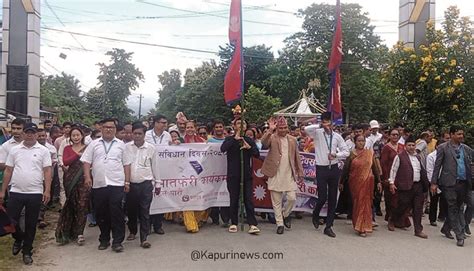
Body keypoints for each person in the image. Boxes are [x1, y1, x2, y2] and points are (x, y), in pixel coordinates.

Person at [0, 123, 52, 265]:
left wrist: (47, 190)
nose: (30, 135)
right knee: (10, 221)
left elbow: (47, 171)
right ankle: (18, 238)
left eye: (32, 132)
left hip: (35, 192)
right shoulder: (15, 150)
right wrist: (2, 191)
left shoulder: (43, 150)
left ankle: (27, 251)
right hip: (16, 191)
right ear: (23, 134)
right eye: (27, 132)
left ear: (36, 134)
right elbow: (8, 171)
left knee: (30, 223)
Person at [81, 118, 132, 252]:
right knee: (101, 213)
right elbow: (86, 162)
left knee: (117, 212)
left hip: (117, 183)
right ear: (101, 129)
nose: (109, 129)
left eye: (112, 127)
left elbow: (127, 164)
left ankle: (117, 241)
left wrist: (127, 182)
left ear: (115, 130)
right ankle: (104, 239)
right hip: (99, 183)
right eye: (106, 127)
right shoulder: (94, 144)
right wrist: (87, 177)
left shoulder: (121, 145)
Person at [304, 112, 350, 238]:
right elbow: (306, 129)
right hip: (321, 169)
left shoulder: (337, 136)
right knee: (322, 197)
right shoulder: (317, 134)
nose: (327, 124)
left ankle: (329, 226)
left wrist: (336, 155)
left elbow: (346, 151)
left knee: (332, 198)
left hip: (334, 169)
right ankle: (316, 213)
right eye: (325, 121)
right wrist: (320, 125)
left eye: (329, 121)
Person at [431, 125, 472, 247]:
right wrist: (434, 183)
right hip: (449, 183)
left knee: (460, 206)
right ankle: (459, 235)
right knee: (454, 207)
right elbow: (437, 166)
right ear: (452, 134)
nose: (461, 136)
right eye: (459, 134)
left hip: (463, 183)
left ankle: (446, 228)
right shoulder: (443, 148)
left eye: (462, 134)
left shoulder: (466, 149)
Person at [261, 117, 303, 234]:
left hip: (289, 173)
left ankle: (285, 214)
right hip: (275, 173)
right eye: (280, 128)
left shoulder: (293, 140)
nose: (283, 130)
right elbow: (263, 143)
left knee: (292, 198)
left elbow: (297, 157)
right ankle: (279, 224)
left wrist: (300, 171)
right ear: (277, 128)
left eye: (285, 127)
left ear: (288, 128)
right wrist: (270, 130)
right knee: (276, 201)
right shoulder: (272, 138)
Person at [221, 118, 260, 234]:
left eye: (243, 123)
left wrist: (249, 147)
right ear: (234, 126)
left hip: (246, 175)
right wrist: (235, 139)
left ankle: (252, 223)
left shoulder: (248, 140)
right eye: (238, 123)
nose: (241, 125)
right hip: (233, 174)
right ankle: (234, 222)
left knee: (248, 199)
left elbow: (256, 154)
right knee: (234, 199)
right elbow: (223, 149)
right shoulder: (229, 139)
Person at [388, 136, 429, 239]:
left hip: (418, 186)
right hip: (405, 186)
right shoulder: (400, 156)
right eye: (409, 145)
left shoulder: (418, 157)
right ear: (405, 146)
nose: (411, 147)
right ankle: (392, 219)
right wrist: (391, 183)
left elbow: (421, 171)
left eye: (413, 145)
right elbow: (393, 170)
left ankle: (418, 230)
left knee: (418, 208)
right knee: (402, 206)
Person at [340, 135, 381, 237]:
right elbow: (346, 169)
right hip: (355, 183)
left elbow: (375, 168)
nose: (361, 143)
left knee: (366, 203)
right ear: (355, 142)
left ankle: (363, 227)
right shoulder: (351, 155)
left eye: (363, 141)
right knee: (358, 203)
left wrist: (379, 181)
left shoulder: (369, 153)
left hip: (368, 182)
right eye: (359, 141)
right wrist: (341, 182)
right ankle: (359, 225)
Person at [55, 127, 90, 245]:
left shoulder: (88, 148)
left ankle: (79, 233)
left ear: (82, 135)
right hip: (70, 179)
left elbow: (90, 161)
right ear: (70, 137)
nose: (76, 137)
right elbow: (66, 161)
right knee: (72, 204)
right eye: (73, 135)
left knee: (82, 204)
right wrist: (78, 154)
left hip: (84, 178)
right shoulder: (67, 148)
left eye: (78, 135)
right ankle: (68, 231)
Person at [124, 123, 155, 248]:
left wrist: (157, 183)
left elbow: (155, 166)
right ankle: (132, 231)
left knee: (144, 211)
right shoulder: (126, 147)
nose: (137, 136)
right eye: (135, 133)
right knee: (131, 210)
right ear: (131, 133)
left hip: (146, 184)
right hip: (131, 184)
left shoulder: (151, 148)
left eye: (139, 134)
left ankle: (144, 238)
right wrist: (125, 182)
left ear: (144, 134)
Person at [145, 114, 171, 235]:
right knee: (148, 198)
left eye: (165, 123)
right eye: (162, 122)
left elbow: (171, 150)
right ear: (155, 123)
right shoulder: (147, 135)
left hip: (164, 169)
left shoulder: (167, 135)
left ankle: (158, 225)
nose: (164, 125)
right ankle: (147, 225)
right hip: (148, 168)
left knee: (161, 197)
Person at [181, 120, 208, 233]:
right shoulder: (181, 141)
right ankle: (190, 224)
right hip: (185, 174)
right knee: (187, 199)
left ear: (195, 128)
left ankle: (198, 219)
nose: (190, 129)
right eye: (188, 127)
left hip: (200, 174)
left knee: (201, 198)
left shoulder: (202, 141)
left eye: (192, 127)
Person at [380, 128, 409, 226]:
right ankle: (391, 220)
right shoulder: (386, 148)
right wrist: (386, 178)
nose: (395, 136)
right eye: (393, 134)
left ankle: (400, 220)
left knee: (401, 200)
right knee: (391, 200)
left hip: (400, 176)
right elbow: (383, 164)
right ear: (389, 136)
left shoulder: (402, 146)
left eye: (397, 134)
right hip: (389, 176)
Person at [207, 120, 230, 226]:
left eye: (220, 126)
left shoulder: (228, 141)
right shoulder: (209, 141)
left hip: (226, 172)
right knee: (214, 194)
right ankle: (215, 217)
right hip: (213, 172)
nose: (219, 129)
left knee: (225, 194)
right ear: (214, 129)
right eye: (216, 127)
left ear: (223, 128)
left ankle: (225, 218)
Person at [36, 129, 58, 228]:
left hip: (47, 175)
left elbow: (55, 159)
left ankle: (41, 216)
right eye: (39, 136)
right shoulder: (33, 148)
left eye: (43, 136)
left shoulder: (51, 148)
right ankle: (37, 217)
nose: (41, 138)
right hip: (36, 176)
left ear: (46, 136)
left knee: (46, 195)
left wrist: (51, 162)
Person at [426, 140, 447, 226]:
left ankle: (441, 216)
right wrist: (433, 183)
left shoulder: (446, 156)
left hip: (444, 180)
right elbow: (429, 170)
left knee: (444, 199)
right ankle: (432, 219)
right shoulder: (431, 156)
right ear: (436, 146)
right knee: (434, 200)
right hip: (434, 180)